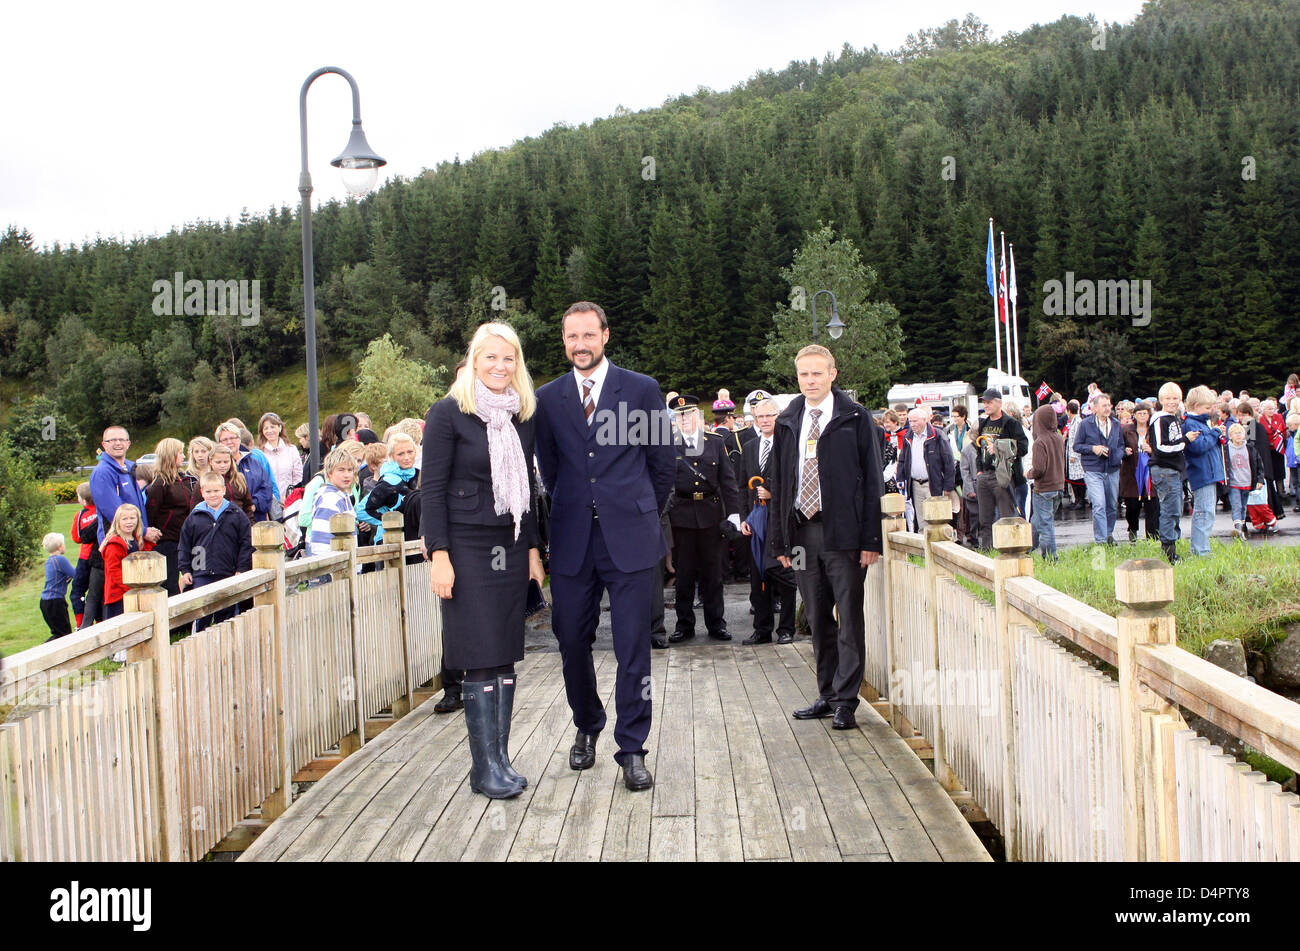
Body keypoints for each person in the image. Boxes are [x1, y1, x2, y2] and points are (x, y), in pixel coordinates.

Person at [533, 302, 674, 792]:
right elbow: (549, 471)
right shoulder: (546, 399)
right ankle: (587, 723)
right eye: (571, 337)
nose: (580, 344)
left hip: (631, 541)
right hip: (572, 541)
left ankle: (632, 747)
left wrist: (636, 511)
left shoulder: (641, 389)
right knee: (571, 639)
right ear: (565, 340)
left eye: (588, 335)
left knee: (633, 646)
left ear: (605, 336)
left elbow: (662, 463)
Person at [422, 322, 545, 800]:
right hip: (465, 546)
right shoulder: (449, 413)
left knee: (506, 650)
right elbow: (430, 490)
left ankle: (500, 759)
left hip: (511, 545)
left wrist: (534, 550)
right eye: (489, 357)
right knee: (478, 654)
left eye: (508, 358)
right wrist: (439, 555)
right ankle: (482, 768)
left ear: (518, 366)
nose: (499, 366)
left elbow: (529, 494)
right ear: (473, 361)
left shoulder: (523, 416)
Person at [769, 344, 884, 731]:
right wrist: (780, 543)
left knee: (848, 619)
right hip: (802, 536)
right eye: (803, 374)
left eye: (817, 373)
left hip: (846, 537)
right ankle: (828, 693)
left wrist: (872, 540)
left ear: (833, 374)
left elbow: (872, 481)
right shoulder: (788, 420)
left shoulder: (855, 417)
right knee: (818, 618)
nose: (810, 380)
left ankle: (847, 702)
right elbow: (780, 485)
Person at [665, 395, 741, 643]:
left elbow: (728, 481)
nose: (684, 419)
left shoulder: (715, 442)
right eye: (680, 415)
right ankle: (684, 625)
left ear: (698, 416)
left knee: (713, 574)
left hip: (710, 514)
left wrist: (734, 514)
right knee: (684, 574)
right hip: (682, 516)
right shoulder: (668, 445)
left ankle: (716, 624)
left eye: (689, 414)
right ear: (675, 419)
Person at [84, 426, 157, 629]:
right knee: (116, 591)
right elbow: (114, 512)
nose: (117, 443)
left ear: (128, 443)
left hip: (135, 539)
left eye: (121, 439)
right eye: (111, 440)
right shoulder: (102, 472)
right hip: (116, 541)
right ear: (104, 445)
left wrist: (143, 532)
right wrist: (142, 531)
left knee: (133, 588)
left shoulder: (129, 469)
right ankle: (113, 639)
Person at [739, 397, 797, 644]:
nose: (764, 421)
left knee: (786, 574)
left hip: (782, 520)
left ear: (778, 416)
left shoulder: (788, 444)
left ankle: (786, 629)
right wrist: (743, 518)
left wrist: (772, 491)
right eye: (760, 417)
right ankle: (762, 629)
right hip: (756, 523)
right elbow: (741, 485)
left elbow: (795, 478)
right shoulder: (750, 446)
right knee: (758, 577)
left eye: (769, 416)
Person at [179, 471, 254, 631]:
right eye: (208, 491)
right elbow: (185, 544)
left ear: (224, 490)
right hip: (201, 572)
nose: (213, 495)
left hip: (227, 570)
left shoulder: (236, 514)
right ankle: (199, 644)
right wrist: (185, 569)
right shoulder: (194, 517)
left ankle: (227, 645)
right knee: (202, 611)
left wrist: (241, 568)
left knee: (226, 612)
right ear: (201, 492)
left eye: (216, 491)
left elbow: (246, 543)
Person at [973, 389, 1028, 550]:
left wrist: (999, 447)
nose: (986, 405)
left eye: (989, 402)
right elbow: (977, 448)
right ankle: (987, 553)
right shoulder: (983, 423)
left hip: (1003, 475)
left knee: (1007, 518)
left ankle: (1010, 551)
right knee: (984, 519)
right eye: (984, 402)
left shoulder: (1011, 423)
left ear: (999, 402)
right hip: (985, 474)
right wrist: (979, 470)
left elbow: (1023, 447)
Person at [145, 437, 200, 596]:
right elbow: (151, 514)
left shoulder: (182, 479)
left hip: (185, 540)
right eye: (180, 453)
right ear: (170, 456)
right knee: (170, 585)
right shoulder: (159, 484)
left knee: (192, 579)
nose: (183, 456)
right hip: (168, 542)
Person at [1073, 393, 1126, 545]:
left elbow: (1121, 444)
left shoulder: (1115, 424)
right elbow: (1077, 446)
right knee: (1099, 504)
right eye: (1104, 405)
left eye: (1109, 405)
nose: (1107, 408)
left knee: (1111, 505)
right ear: (1095, 408)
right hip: (1093, 469)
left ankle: (1108, 534)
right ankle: (1101, 540)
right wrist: (1093, 448)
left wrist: (1118, 455)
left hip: (1112, 469)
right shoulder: (1085, 424)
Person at [896, 407, 956, 533]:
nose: (912, 424)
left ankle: (938, 549)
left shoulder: (937, 435)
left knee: (936, 519)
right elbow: (902, 460)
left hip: (933, 483)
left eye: (915, 421)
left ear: (924, 420)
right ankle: (923, 550)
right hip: (916, 484)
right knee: (921, 521)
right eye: (910, 421)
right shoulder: (908, 436)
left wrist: (948, 487)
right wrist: (900, 478)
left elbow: (949, 462)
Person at [1150, 382, 1191, 563]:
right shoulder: (1161, 419)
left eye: (1175, 398)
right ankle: (1169, 551)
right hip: (1164, 470)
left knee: (1175, 509)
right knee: (1170, 509)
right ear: (1161, 400)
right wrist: (1185, 441)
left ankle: (1173, 544)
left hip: (1174, 470)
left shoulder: (1174, 419)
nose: (1172, 402)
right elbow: (1160, 447)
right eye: (1168, 398)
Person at [1183, 386, 1226, 556]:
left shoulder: (1200, 422)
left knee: (1207, 512)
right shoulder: (1191, 424)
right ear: (1196, 405)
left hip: (1209, 473)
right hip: (1202, 473)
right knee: (1204, 512)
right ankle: (1200, 551)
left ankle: (1202, 548)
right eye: (1207, 408)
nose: (1210, 411)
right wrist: (1215, 433)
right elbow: (1198, 447)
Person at [1024, 405, 1065, 559]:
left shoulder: (1040, 442)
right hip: (1058, 486)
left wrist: (1028, 473)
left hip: (1044, 488)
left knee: (1045, 526)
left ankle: (1051, 559)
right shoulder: (1059, 438)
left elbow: (1039, 469)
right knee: (1036, 522)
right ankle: (1024, 550)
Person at [101, 504, 153, 620]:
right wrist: (129, 588)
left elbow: (141, 557)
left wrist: (149, 543)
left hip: (133, 590)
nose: (129, 522)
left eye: (132, 518)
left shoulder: (135, 539)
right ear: (117, 521)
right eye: (124, 519)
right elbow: (114, 570)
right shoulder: (114, 544)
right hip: (118, 594)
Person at [307, 446, 359, 558]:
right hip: (332, 564)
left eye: (350, 470)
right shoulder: (329, 498)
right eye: (341, 470)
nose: (347, 475)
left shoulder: (342, 495)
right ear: (330, 472)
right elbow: (320, 541)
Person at [216, 421, 273, 521]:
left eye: (232, 438)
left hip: (257, 519)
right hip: (229, 521)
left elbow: (266, 487)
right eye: (225, 439)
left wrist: (254, 504)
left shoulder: (253, 462)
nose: (229, 442)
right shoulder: (216, 467)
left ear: (239, 439)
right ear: (219, 443)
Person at [1120, 401, 1159, 542]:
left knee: (1152, 506)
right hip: (1132, 474)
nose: (1142, 416)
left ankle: (1153, 537)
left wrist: (1152, 450)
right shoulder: (1126, 430)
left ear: (1149, 415)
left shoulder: (1154, 430)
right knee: (1132, 506)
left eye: (1145, 413)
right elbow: (1118, 447)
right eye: (1139, 413)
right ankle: (1133, 531)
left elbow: (1162, 450)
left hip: (1151, 474)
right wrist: (1124, 451)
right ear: (1134, 415)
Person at [1222, 423, 1264, 540]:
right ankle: (1238, 529)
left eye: (1240, 433)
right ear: (1230, 436)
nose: (1238, 436)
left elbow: (1259, 465)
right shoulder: (1226, 449)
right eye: (1235, 433)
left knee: (1244, 507)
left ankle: (1242, 527)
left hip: (1247, 481)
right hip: (1233, 483)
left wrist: (1260, 480)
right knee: (1236, 505)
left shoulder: (1250, 448)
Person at [69, 482, 97, 628]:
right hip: (100, 556)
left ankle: (80, 624)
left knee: (77, 591)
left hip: (85, 557)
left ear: (84, 500)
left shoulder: (80, 515)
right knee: (96, 590)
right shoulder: (101, 511)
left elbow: (76, 537)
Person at [259, 412, 303, 500]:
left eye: (272, 427)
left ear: (280, 427)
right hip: (269, 501)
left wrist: (289, 496)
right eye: (266, 428)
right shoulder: (260, 453)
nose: (269, 431)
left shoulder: (291, 450)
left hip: (290, 500)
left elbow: (298, 476)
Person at [40, 533, 75, 639]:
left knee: (59, 633)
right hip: (55, 602)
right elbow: (76, 574)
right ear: (60, 547)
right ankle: (38, 653)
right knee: (63, 635)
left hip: (45, 602)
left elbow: (58, 579)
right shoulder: (60, 559)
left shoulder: (49, 561)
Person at [209, 444, 255, 520]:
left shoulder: (239, 479)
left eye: (226, 462)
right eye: (218, 462)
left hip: (241, 524)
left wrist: (250, 525)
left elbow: (248, 506)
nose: (222, 465)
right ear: (210, 461)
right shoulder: (204, 482)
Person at [958, 420, 981, 548]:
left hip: (986, 488)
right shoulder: (967, 450)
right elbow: (964, 471)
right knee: (974, 516)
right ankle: (974, 539)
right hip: (973, 488)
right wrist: (969, 489)